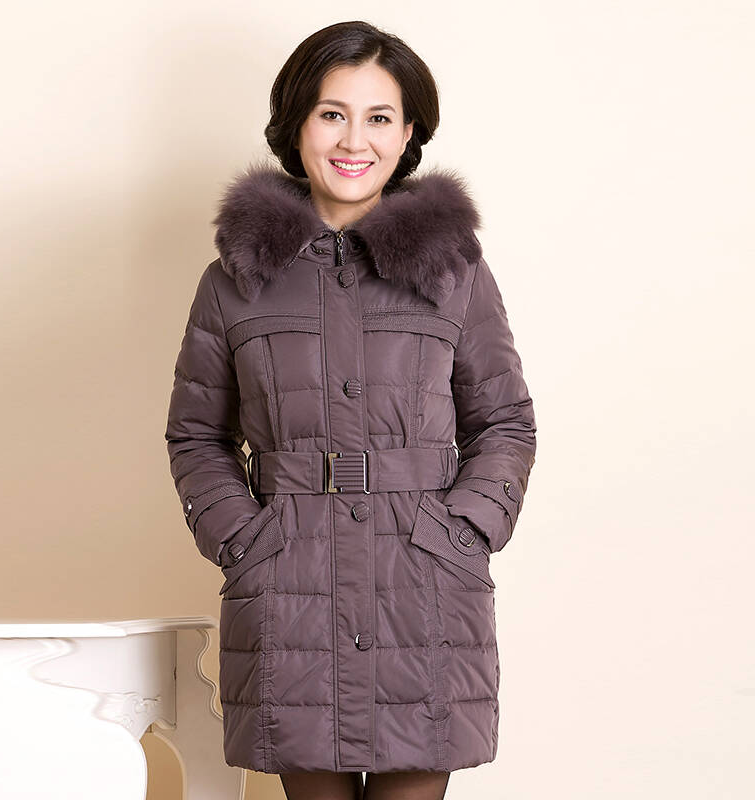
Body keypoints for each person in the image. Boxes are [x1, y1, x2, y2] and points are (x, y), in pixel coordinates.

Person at [165, 19, 537, 800]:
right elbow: (196, 434)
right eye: (332, 113)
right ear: (295, 123)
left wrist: (467, 530)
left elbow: (504, 421)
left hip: (425, 584)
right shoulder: (233, 279)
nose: (353, 140)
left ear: (409, 134)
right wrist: (243, 539)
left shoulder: (456, 271)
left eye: (379, 117)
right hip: (290, 586)